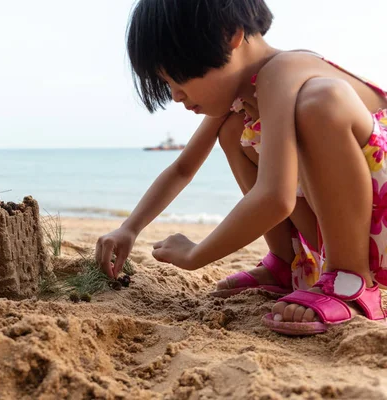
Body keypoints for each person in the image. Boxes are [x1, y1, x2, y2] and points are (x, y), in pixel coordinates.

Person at [95, 0, 387, 335]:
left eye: (178, 75)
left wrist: (196, 254)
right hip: (360, 224)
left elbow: (276, 197)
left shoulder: (284, 70)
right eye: (166, 83)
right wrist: (129, 228)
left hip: (378, 215)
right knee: (235, 129)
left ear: (229, 34)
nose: (175, 95)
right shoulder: (240, 94)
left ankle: (350, 279)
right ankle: (288, 264)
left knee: (322, 101)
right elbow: (182, 169)